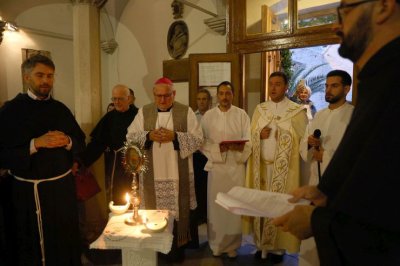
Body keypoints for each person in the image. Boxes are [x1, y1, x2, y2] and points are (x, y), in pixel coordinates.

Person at [273, 1, 400, 265]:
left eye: (345, 11)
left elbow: (383, 203)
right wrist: (326, 191)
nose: (336, 25)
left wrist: (318, 220)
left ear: (385, 6)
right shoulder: (377, 80)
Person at [0, 54, 86, 265]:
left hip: (61, 191)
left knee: (63, 239)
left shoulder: (61, 109)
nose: (46, 80)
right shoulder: (10, 110)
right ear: (26, 76)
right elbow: (2, 154)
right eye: (40, 75)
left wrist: (67, 141)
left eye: (50, 76)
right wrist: (35, 144)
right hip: (27, 194)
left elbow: (80, 141)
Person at [126, 77, 203, 262]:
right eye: (158, 96)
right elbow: (130, 137)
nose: (162, 100)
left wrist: (175, 137)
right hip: (152, 174)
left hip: (178, 172)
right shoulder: (144, 112)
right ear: (153, 95)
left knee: (176, 212)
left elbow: (198, 139)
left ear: (173, 94)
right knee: (154, 212)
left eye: (166, 96)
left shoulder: (186, 111)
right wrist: (149, 135)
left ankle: (176, 253)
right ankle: (156, 254)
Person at [246, 71, 308, 261]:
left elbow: (304, 141)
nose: (273, 87)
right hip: (261, 168)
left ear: (286, 87)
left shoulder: (297, 111)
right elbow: (250, 136)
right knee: (261, 206)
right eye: (271, 83)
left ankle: (277, 249)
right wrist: (258, 136)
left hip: (285, 171)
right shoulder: (260, 109)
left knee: (278, 206)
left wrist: (285, 137)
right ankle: (260, 245)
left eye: (278, 84)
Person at [298, 69, 354, 266]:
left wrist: (326, 156)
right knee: (312, 240)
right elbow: (303, 150)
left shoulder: (353, 116)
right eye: (327, 86)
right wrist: (309, 144)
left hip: (339, 191)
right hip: (316, 184)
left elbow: (354, 155)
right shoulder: (319, 116)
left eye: (334, 86)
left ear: (347, 88)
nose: (328, 90)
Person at [201, 81, 251, 258]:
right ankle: (216, 244)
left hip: (236, 167)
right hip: (217, 167)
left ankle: (232, 245)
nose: (224, 97)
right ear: (217, 96)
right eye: (221, 94)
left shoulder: (242, 114)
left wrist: (240, 148)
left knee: (233, 206)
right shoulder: (208, 116)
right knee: (217, 206)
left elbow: (249, 139)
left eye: (227, 93)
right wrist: (217, 149)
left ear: (233, 95)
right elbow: (202, 141)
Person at [77, 84, 138, 205]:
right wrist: (81, 162)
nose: (117, 102)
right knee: (120, 196)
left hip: (137, 163)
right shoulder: (109, 118)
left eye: (120, 98)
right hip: (118, 166)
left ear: (129, 99)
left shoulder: (139, 115)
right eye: (114, 99)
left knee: (138, 194)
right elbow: (97, 144)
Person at [193, 89, 211, 225]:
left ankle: (209, 214)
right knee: (198, 186)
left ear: (209, 101)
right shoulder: (193, 116)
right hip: (197, 157)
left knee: (210, 186)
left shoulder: (214, 116)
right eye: (199, 99)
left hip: (210, 156)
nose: (201, 102)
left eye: (204, 99)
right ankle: (200, 214)